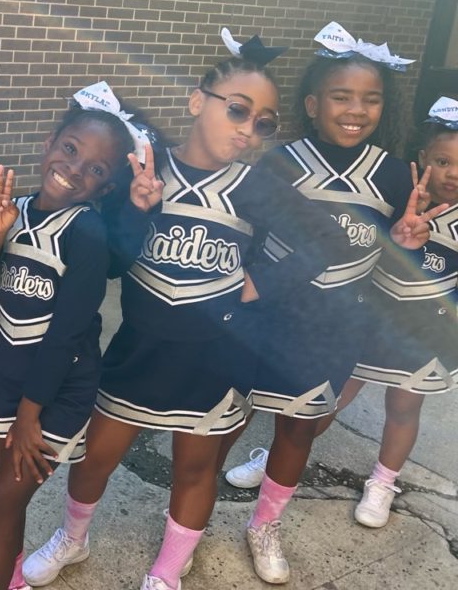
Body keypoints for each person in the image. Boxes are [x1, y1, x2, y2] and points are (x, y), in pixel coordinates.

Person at [24, 31, 353, 590]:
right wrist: (137, 209)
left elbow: (327, 239)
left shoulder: (254, 185)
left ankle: (168, 569)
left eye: (264, 122)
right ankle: (72, 539)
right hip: (139, 349)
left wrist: (259, 283)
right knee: (96, 457)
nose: (248, 129)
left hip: (214, 357)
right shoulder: (145, 168)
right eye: (238, 110)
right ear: (198, 101)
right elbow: (113, 260)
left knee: (196, 469)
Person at [221, 24, 446, 584]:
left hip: (333, 328)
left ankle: (265, 524)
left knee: (298, 431)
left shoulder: (393, 173)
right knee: (223, 420)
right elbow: (245, 234)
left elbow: (395, 250)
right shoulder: (278, 162)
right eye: (342, 97)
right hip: (263, 320)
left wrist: (406, 242)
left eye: (371, 99)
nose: (356, 110)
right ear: (313, 104)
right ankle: (192, 513)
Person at [0, 82, 161, 590]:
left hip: (57, 391)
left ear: (105, 187)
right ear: (49, 143)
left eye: (94, 169)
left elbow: (68, 333)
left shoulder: (86, 233)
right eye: (70, 149)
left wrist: (30, 414)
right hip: (10, 379)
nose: (74, 169)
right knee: (9, 505)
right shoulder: (16, 211)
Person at [346, 96, 457, 528]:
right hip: (369, 321)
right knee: (327, 395)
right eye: (443, 162)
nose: (453, 173)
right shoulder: (396, 197)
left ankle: (383, 481)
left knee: (404, 408)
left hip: (424, 335)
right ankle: (283, 454)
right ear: (423, 157)